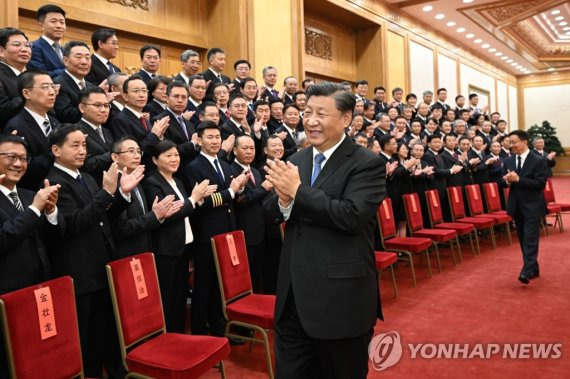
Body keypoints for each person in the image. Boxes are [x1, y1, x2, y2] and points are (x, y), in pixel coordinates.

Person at [262, 82, 385, 378]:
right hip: (293, 297)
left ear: (346, 119)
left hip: (340, 301)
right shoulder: (296, 160)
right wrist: (283, 199)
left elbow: (351, 216)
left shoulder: (366, 163)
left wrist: (298, 191)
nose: (311, 120)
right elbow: (269, 212)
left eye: (321, 113)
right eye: (307, 112)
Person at [47, 124, 143, 378]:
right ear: (56, 150)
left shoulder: (86, 177)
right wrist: (107, 193)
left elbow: (103, 217)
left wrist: (121, 194)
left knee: (103, 331)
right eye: (75, 145)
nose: (82, 151)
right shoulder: (54, 182)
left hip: (102, 266)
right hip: (79, 272)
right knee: (84, 336)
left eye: (84, 146)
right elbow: (75, 224)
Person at [0, 135, 63, 378]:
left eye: (23, 159)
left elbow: (53, 239)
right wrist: (35, 209)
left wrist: (51, 213)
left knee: (38, 357)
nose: (18, 163)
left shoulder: (28, 195)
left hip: (38, 288)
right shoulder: (32, 201)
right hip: (7, 294)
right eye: (11, 157)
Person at [180, 121, 248, 337]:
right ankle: (200, 330)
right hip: (206, 234)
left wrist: (236, 190)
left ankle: (220, 328)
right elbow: (202, 203)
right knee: (205, 284)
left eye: (217, 137)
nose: (215, 141)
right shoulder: (192, 168)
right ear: (199, 140)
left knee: (222, 284)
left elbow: (227, 197)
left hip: (226, 231)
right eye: (209, 137)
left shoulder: (226, 164)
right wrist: (231, 192)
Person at [143, 139, 214, 333]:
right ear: (155, 160)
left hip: (184, 246)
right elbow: (167, 215)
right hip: (166, 249)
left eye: (176, 155)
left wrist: (197, 201)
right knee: (167, 297)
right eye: (168, 156)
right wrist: (193, 199)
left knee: (180, 296)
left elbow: (184, 210)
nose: (174, 159)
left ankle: (179, 334)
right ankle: (167, 337)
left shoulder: (178, 181)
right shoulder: (152, 182)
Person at [502, 130, 548, 284]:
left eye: (514, 141)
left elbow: (540, 184)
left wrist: (519, 179)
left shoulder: (538, 160)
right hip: (516, 205)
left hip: (533, 206)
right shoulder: (508, 161)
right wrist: (507, 181)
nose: (511, 145)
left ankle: (526, 270)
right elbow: (502, 182)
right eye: (509, 142)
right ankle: (533, 268)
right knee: (523, 238)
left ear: (525, 142)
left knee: (530, 238)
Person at [4, 70, 60, 190]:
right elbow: (24, 167)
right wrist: (59, 153)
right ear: (27, 93)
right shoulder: (16, 126)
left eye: (52, 86)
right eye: (45, 87)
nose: (52, 92)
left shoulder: (55, 121)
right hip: (34, 191)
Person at [231, 135, 273, 292]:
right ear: (235, 150)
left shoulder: (255, 170)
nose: (249, 151)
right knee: (243, 279)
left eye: (252, 148)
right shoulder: (231, 170)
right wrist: (263, 188)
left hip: (261, 232)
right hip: (244, 232)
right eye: (245, 148)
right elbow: (241, 200)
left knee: (257, 276)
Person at [77, 86, 114, 184]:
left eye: (106, 105)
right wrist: (115, 155)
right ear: (82, 108)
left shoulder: (108, 132)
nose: (103, 110)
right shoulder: (76, 132)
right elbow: (85, 164)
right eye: (97, 105)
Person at [53, 41, 95, 123]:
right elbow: (66, 115)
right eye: (78, 57)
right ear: (65, 60)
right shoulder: (58, 83)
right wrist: (93, 105)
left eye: (87, 58)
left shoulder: (91, 86)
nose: (84, 62)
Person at [0, 28, 30, 130]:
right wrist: (32, 94)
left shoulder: (31, 75)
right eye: (17, 45)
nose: (24, 49)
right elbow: (2, 110)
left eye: (27, 45)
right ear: (1, 51)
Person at [28, 4, 66, 77]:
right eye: (53, 21)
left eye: (62, 22)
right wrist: (70, 70)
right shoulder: (33, 47)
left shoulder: (65, 50)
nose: (59, 26)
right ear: (41, 25)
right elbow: (40, 76)